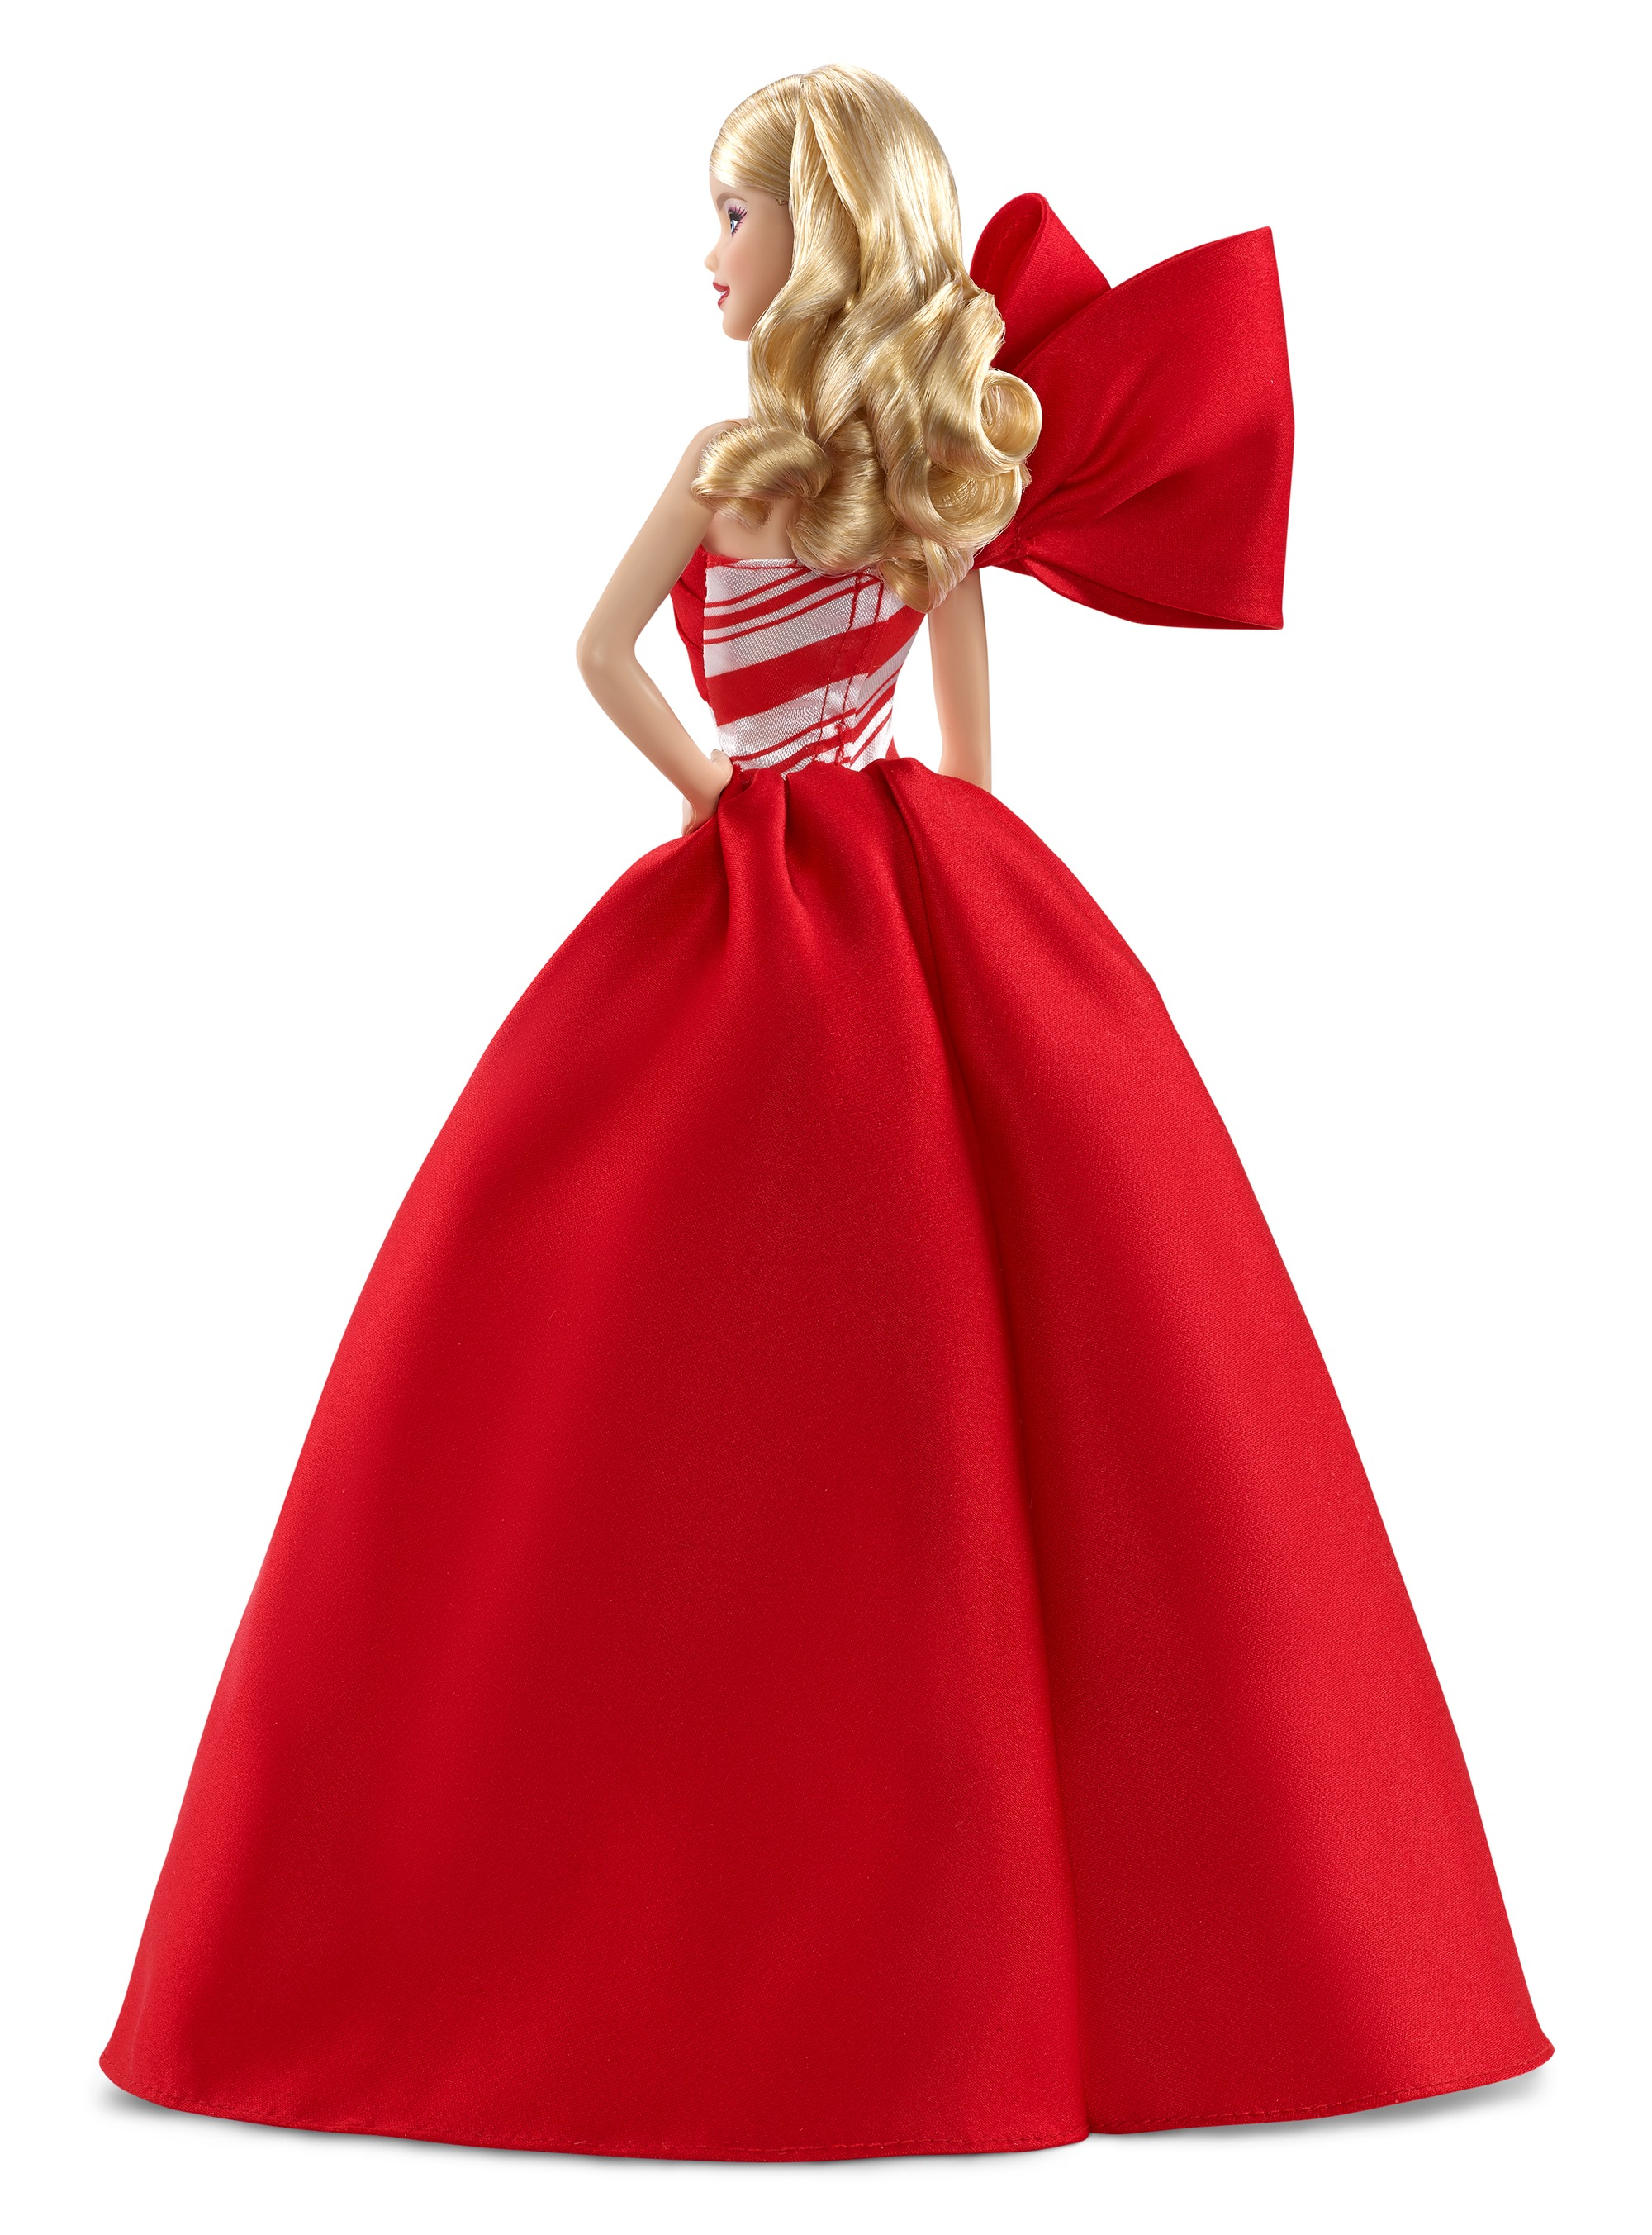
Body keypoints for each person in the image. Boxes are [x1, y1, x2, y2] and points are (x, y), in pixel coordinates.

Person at [100, 64, 1550, 2160]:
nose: (708, 252)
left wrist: (765, 817)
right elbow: (777, 712)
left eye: (736, 211)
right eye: (715, 212)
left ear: (830, 231)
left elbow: (695, 679)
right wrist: (850, 845)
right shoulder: (802, 465)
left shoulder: (894, 476)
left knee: (960, 1335)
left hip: (822, 871)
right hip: (867, 874)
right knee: (704, 1337)